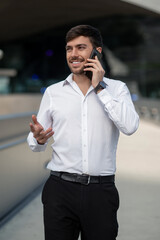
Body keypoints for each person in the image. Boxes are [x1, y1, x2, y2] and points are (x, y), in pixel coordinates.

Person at [27, 25, 139, 240]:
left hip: (101, 192)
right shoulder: (53, 92)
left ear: (97, 51)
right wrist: (38, 139)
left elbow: (130, 126)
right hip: (59, 190)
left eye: (81, 48)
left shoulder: (116, 89)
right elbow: (35, 141)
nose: (74, 54)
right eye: (69, 49)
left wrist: (100, 88)